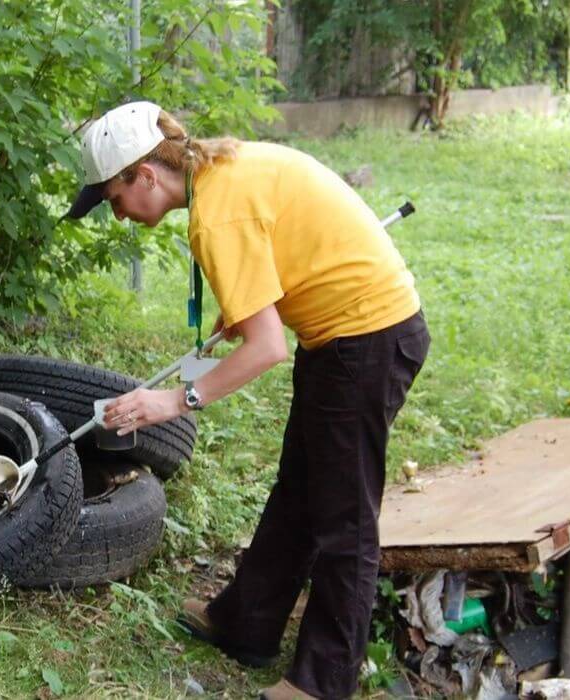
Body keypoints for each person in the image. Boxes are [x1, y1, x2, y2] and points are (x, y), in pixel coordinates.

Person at [72, 101, 430, 700]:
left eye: (112, 198)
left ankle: (324, 683)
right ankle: (247, 624)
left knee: (346, 519)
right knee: (300, 490)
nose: (117, 214)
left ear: (144, 175)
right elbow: (279, 265)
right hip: (344, 335)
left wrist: (174, 401)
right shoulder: (223, 172)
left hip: (368, 337)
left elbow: (266, 348)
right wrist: (248, 300)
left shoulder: (216, 217)